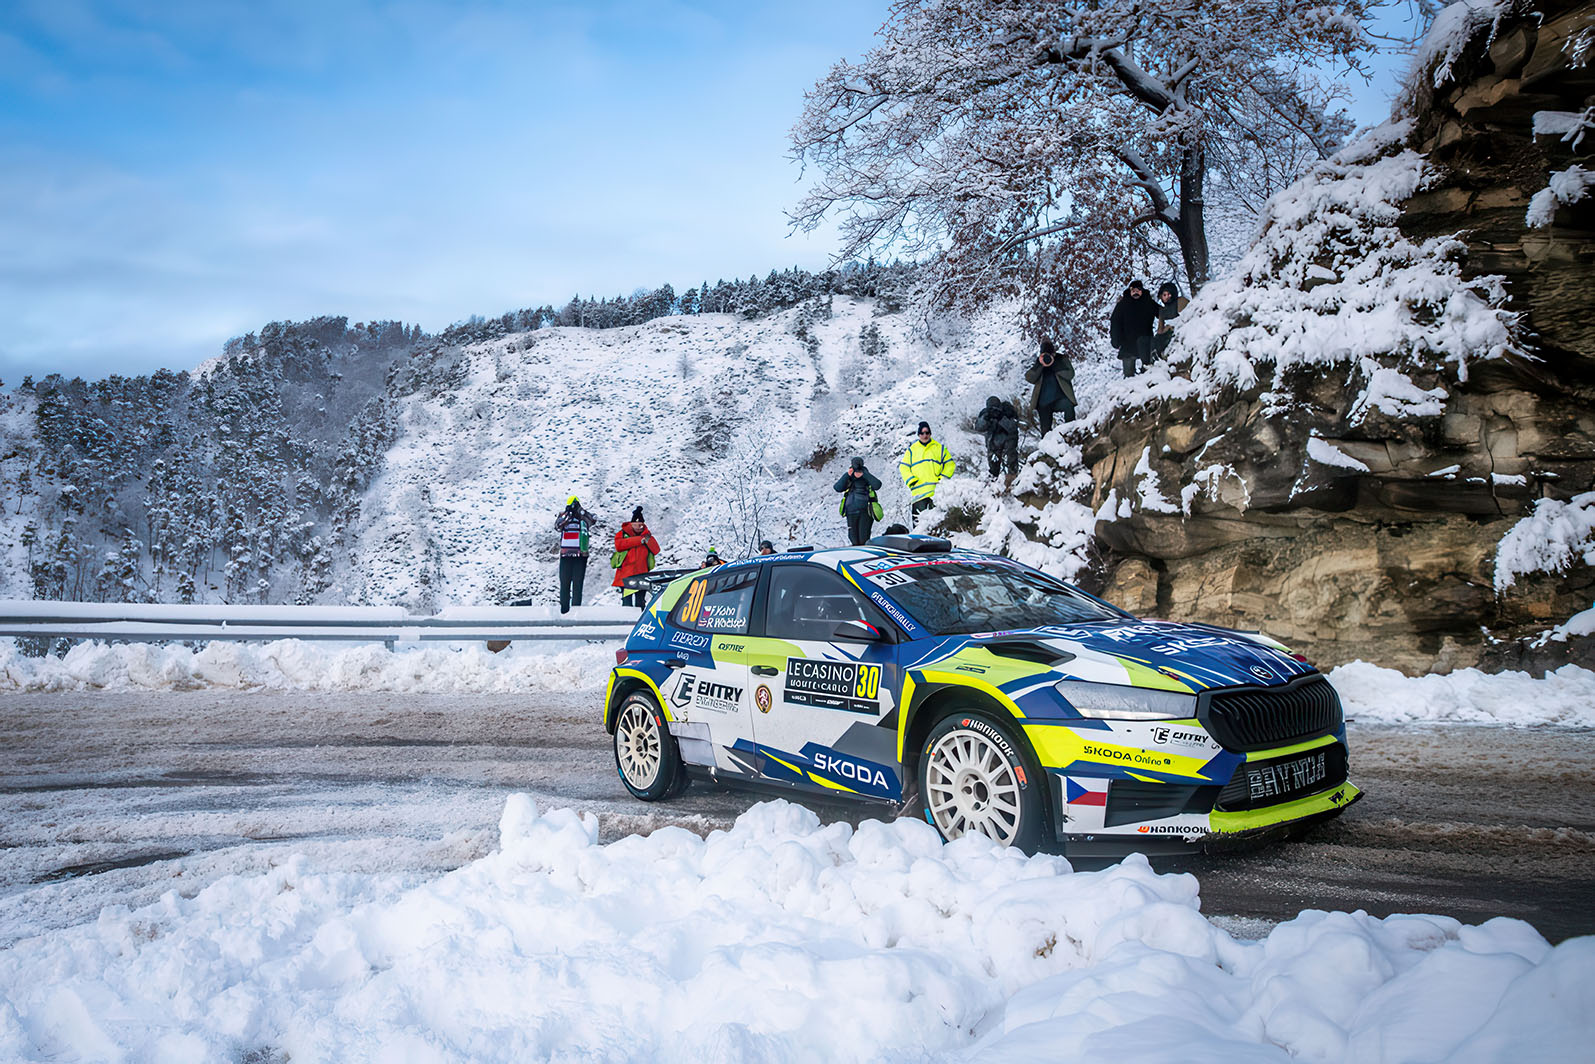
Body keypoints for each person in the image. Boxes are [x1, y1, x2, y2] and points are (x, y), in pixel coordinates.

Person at [898, 422, 955, 527]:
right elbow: (903, 467)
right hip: (919, 495)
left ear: (930, 433)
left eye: (927, 432)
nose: (925, 435)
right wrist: (911, 480)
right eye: (922, 433)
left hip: (936, 494)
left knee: (938, 525)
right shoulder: (912, 450)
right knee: (919, 527)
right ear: (918, 434)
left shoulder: (939, 448)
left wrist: (942, 479)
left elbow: (950, 464)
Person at [611, 506, 660, 609]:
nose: (638, 527)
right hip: (627, 575)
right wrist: (640, 540)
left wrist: (646, 538)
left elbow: (656, 550)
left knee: (640, 603)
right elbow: (619, 546)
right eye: (636, 524)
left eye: (640, 524)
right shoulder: (622, 534)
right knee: (627, 604)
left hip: (642, 574)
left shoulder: (647, 536)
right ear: (631, 524)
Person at [1024, 336, 1077, 433]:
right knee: (1045, 431)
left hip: (1060, 398)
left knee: (1069, 407)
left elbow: (1070, 374)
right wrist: (1041, 366)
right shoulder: (1039, 362)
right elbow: (1029, 378)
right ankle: (1048, 447)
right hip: (1043, 403)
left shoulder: (1061, 359)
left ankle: (1072, 433)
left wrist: (1056, 366)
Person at [554, 496, 596, 614]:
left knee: (578, 584)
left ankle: (576, 610)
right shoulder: (563, 516)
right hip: (566, 555)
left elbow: (593, 520)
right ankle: (564, 610)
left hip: (580, 555)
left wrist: (581, 512)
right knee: (565, 583)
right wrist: (568, 514)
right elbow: (557, 526)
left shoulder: (582, 517)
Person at [1109, 280, 1157, 377]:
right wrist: (1115, 340)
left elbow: (1162, 314)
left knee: (1150, 374)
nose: (1136, 292)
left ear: (1142, 291)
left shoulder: (1148, 303)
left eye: (1138, 290)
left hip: (1145, 343)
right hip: (1127, 344)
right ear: (1130, 291)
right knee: (1129, 377)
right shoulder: (1122, 305)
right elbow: (1115, 323)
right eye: (1133, 290)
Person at [834, 456, 884, 545]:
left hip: (865, 511)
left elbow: (877, 485)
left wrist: (864, 474)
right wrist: (847, 475)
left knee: (863, 538)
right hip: (851, 511)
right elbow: (837, 488)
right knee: (853, 538)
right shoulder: (849, 478)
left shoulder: (866, 475)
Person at [973, 396, 1020, 477]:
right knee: (993, 465)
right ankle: (994, 478)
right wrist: (985, 418)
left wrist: (1001, 418)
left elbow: (1013, 428)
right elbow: (978, 428)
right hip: (993, 442)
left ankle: (1013, 477)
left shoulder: (1007, 411)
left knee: (1011, 460)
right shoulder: (986, 413)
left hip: (1008, 440)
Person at [1153, 281, 1189, 358]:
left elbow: (1185, 317)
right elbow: (1160, 330)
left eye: (1169, 294)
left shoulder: (1180, 301)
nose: (1166, 297)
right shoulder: (1162, 311)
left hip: (1181, 331)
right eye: (1164, 295)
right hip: (1167, 335)